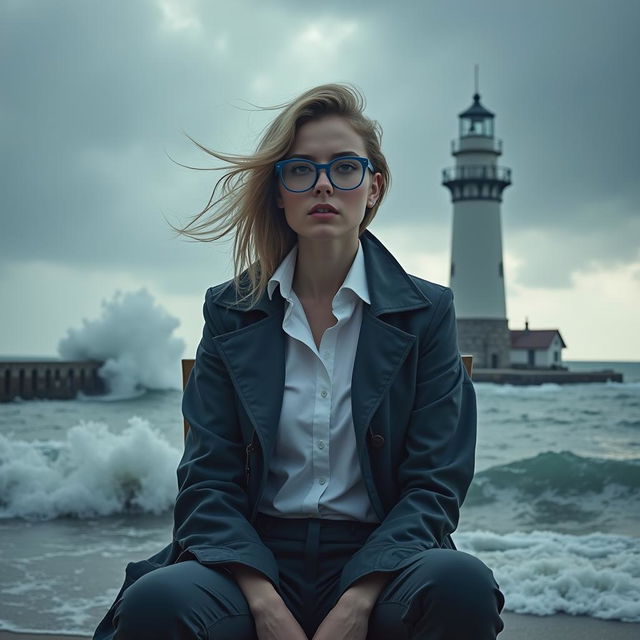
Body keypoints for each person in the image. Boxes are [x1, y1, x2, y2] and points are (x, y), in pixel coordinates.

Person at [93, 83, 505, 640]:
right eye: (301, 170)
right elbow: (206, 478)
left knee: (461, 585)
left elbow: (434, 485)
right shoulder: (231, 310)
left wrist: (360, 597)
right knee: (157, 602)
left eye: (344, 168)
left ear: (374, 187)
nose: (323, 185)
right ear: (280, 192)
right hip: (250, 559)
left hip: (384, 561)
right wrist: (261, 598)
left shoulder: (427, 312)